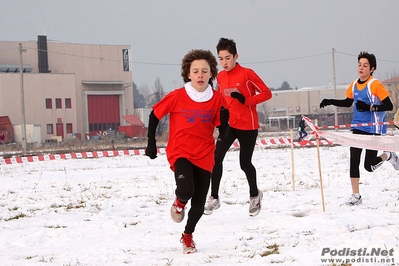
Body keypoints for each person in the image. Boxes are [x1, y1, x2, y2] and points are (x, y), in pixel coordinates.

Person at [145, 49, 229, 254]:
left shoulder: (217, 99)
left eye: (204, 71)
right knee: (186, 190)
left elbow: (223, 129)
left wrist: (226, 124)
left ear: (211, 74)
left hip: (205, 154)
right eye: (195, 71)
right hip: (181, 151)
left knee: (199, 205)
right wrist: (151, 142)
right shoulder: (177, 96)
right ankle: (179, 203)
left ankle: (188, 235)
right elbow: (154, 115)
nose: (200, 75)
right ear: (188, 74)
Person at [319, 51, 399, 206]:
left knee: (369, 166)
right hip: (357, 127)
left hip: (373, 129)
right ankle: (356, 196)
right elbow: (348, 102)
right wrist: (330, 101)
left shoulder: (375, 84)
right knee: (353, 160)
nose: (361, 68)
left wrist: (370, 107)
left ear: (372, 69)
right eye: (359, 65)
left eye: (365, 65)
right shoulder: (355, 84)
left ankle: (388, 155)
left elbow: (388, 105)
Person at [204, 37, 272, 216]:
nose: (224, 62)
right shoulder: (220, 77)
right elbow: (221, 99)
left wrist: (246, 100)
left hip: (247, 126)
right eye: (221, 59)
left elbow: (267, 93)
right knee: (215, 158)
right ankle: (214, 198)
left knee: (244, 163)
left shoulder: (247, 74)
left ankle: (254, 196)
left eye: (227, 58)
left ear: (236, 56)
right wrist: (219, 118)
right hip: (229, 125)